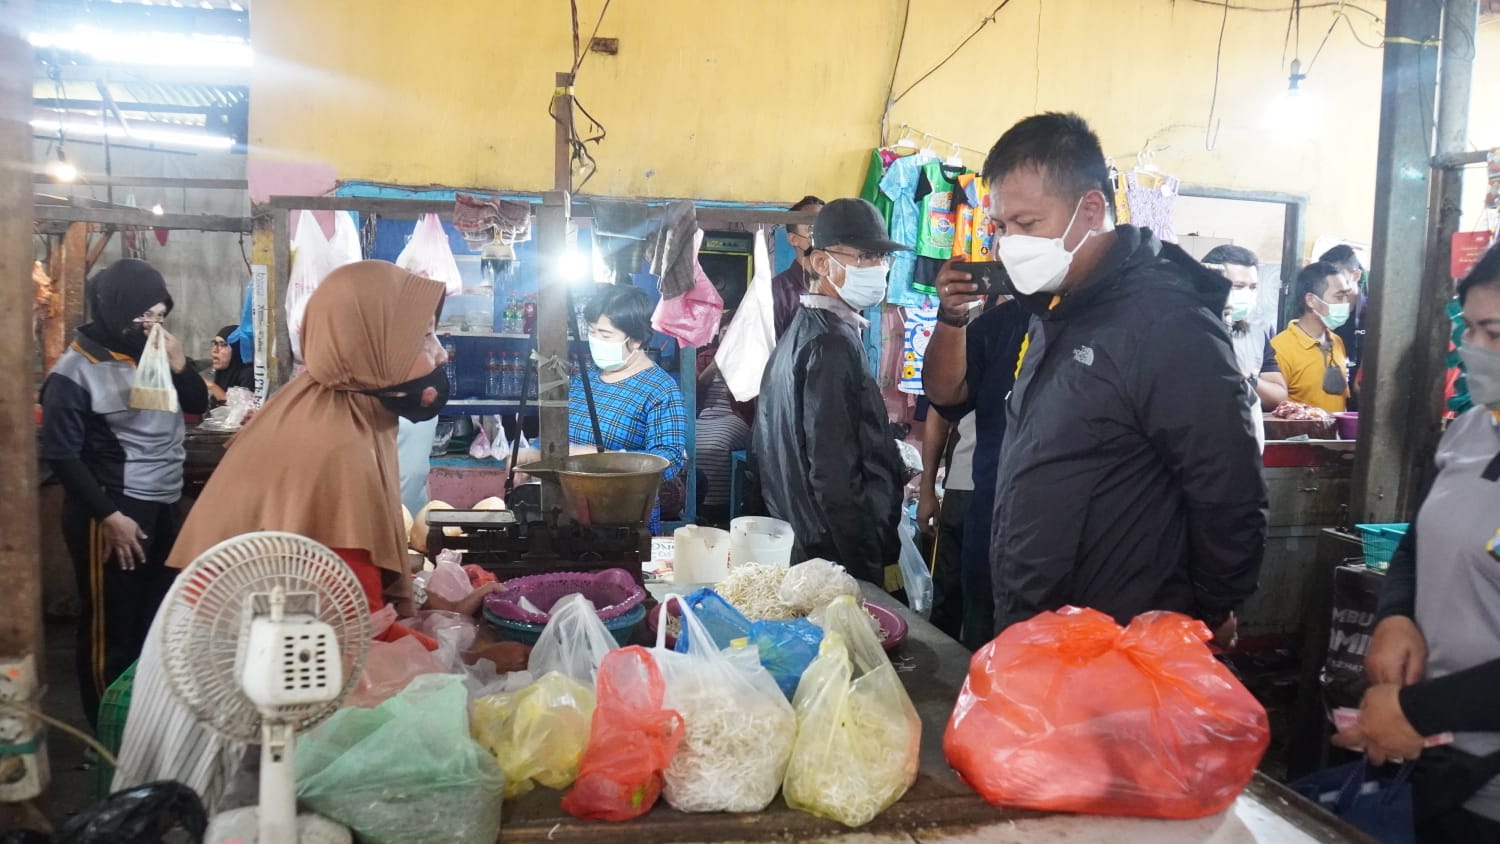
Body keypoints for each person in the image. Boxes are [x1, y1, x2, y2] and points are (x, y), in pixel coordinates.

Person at [113, 261, 510, 810]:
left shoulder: (326, 406)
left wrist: (435, 609)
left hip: (254, 672)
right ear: (369, 345)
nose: (441, 355)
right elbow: (351, 636)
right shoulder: (336, 448)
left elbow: (337, 588)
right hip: (235, 707)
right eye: (424, 337)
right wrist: (465, 664)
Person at [932, 112, 1265, 639]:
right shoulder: (1056, 310)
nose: (1009, 243)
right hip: (1042, 627)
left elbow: (1227, 487)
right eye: (1001, 226)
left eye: (1027, 224)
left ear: (1089, 210)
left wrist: (1213, 608)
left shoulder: (1166, 324)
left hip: (1118, 639)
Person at [1334, 242, 1500, 842]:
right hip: (1437, 768)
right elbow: (1418, 542)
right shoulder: (1472, 430)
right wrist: (1397, 615)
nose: (1473, 349)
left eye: (1494, 333)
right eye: (1470, 330)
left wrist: (1416, 711)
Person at [38, 258, 209, 728]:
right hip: (112, 511)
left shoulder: (152, 355)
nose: (152, 325)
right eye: (143, 315)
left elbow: (197, 404)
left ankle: (141, 728)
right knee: (111, 628)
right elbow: (62, 455)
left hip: (162, 504)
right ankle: (104, 738)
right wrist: (110, 517)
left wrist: (181, 365)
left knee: (155, 621)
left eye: (159, 315)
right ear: (115, 309)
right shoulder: (74, 372)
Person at [753, 198, 906, 586]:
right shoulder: (830, 345)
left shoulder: (807, 330)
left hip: (807, 544)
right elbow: (834, 476)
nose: (878, 268)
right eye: (865, 256)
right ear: (822, 263)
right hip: (835, 557)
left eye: (882, 257)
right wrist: (865, 570)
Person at [923, 291, 1030, 650]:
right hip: (971, 490)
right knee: (958, 600)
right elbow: (941, 405)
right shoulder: (985, 330)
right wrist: (928, 489)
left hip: (1033, 512)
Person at [568, 284, 689, 523]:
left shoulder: (660, 389)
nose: (595, 340)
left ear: (636, 340)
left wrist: (604, 459)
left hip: (625, 517)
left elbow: (670, 459)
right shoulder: (584, 380)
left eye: (605, 335)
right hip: (572, 510)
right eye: (591, 331)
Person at [1201, 244, 1288, 449]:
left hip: (1245, 443)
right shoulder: (1188, 330)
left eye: (1253, 287)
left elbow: (1278, 396)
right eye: (1238, 286)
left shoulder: (1257, 334)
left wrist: (1245, 377)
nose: (1247, 294)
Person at [916, 410, 976, 641]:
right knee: (947, 597)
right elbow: (938, 414)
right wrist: (926, 488)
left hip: (1019, 489)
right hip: (964, 485)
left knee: (988, 606)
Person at [1271, 261, 1358, 413]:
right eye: (1339, 297)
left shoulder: (1337, 342)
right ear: (1311, 300)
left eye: (1346, 295)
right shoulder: (1280, 348)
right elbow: (1274, 406)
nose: (1346, 303)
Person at [773, 195, 825, 340]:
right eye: (812, 228)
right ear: (793, 239)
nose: (822, 234)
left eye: (826, 227)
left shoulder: (840, 286)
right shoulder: (777, 293)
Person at [1319, 243, 1367, 389]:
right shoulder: (1322, 310)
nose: (1332, 283)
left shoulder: (1374, 314)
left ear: (1356, 275)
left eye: (1338, 276)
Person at [204, 324, 254, 406]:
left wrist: (213, 387)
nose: (215, 350)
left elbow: (242, 408)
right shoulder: (222, 371)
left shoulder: (249, 374)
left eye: (223, 345)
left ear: (236, 349)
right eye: (215, 343)